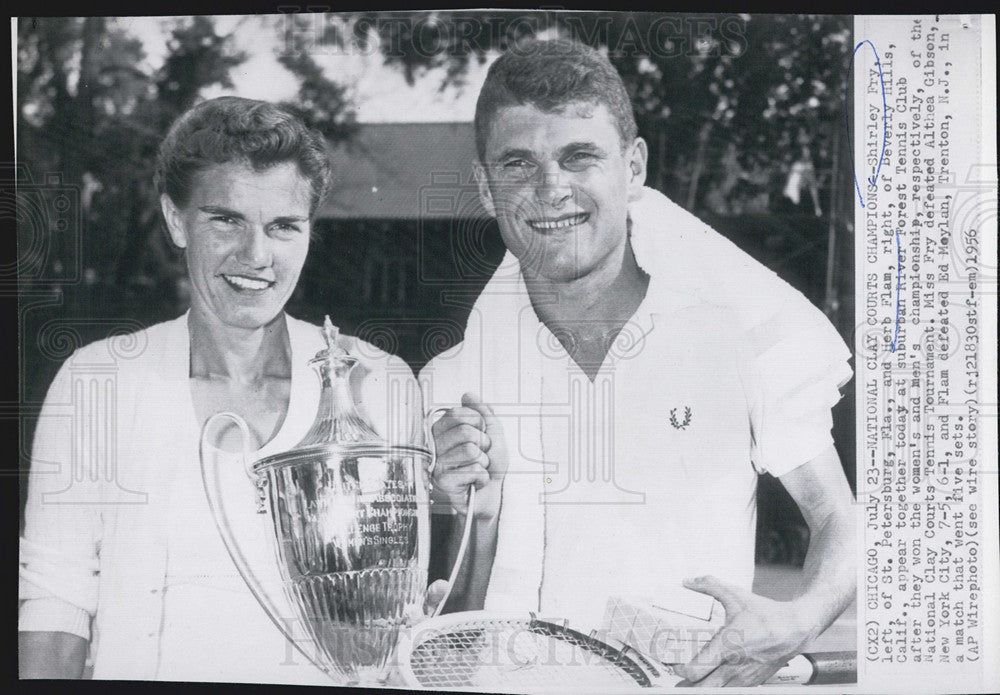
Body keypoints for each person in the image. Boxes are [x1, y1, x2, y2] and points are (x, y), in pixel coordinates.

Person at [421, 38, 856, 687]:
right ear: (485, 186)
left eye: (579, 156)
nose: (550, 189)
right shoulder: (452, 386)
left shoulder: (731, 333)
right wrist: (474, 517)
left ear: (635, 167)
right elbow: (457, 640)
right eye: (518, 164)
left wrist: (798, 618)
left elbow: (839, 520)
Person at [18, 97, 420, 682]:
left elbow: (397, 623)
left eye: (283, 226)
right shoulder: (96, 383)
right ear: (176, 220)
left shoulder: (378, 384)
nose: (256, 256)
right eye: (226, 219)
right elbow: (56, 610)